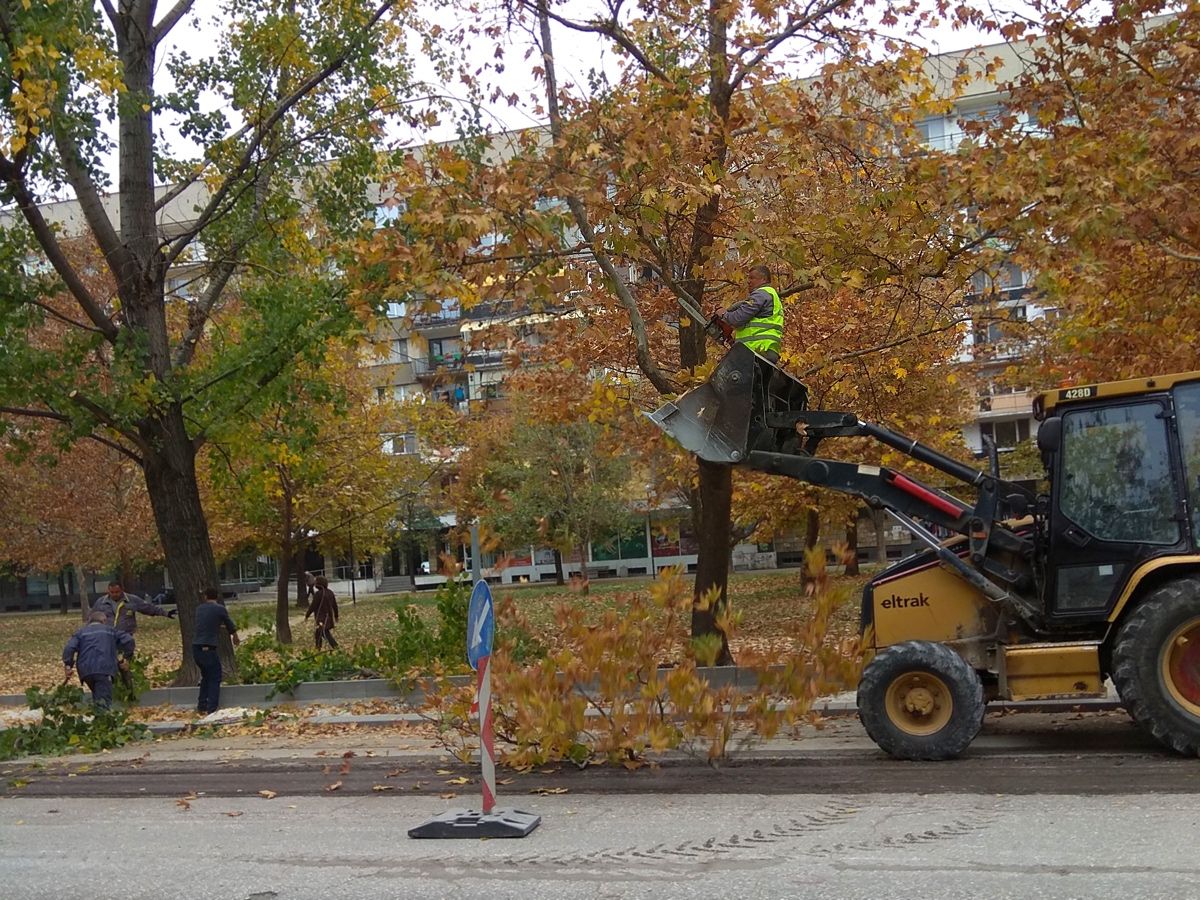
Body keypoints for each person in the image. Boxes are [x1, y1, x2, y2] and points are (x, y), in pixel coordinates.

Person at [62, 612, 135, 710]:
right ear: (104, 621)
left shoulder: (80, 633)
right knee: (103, 702)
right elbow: (129, 640)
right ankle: (103, 720)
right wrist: (126, 658)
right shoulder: (111, 631)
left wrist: (68, 666)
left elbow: (69, 648)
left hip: (85, 670)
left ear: (89, 622)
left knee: (98, 696)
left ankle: (98, 717)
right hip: (104, 669)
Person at [716, 263, 784, 362]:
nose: (749, 281)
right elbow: (753, 324)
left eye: (752, 278)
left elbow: (738, 319)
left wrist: (723, 314)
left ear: (763, 279)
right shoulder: (771, 296)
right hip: (766, 351)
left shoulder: (761, 294)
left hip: (757, 350)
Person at [193, 587, 240, 715]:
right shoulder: (220, 609)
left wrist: (218, 626)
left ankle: (201, 705)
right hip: (208, 647)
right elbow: (229, 624)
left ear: (206, 597)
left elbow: (206, 623)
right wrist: (235, 636)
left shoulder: (199, 609)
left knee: (205, 677)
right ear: (216, 597)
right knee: (215, 677)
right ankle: (212, 708)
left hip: (196, 648)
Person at [92, 581, 175, 635]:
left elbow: (148, 608)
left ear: (122, 590)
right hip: (107, 635)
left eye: (117, 592)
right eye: (112, 592)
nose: (114, 594)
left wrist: (166, 613)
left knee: (126, 659)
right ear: (108, 591)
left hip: (126, 635)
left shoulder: (132, 600)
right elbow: (92, 617)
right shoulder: (101, 602)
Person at [305, 575, 340, 650]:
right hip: (329, 618)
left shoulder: (318, 594)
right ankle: (318, 648)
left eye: (316, 581)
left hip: (321, 618)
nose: (314, 583)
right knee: (319, 633)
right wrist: (336, 616)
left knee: (324, 633)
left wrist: (307, 615)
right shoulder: (330, 592)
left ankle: (335, 647)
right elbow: (335, 605)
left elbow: (313, 606)